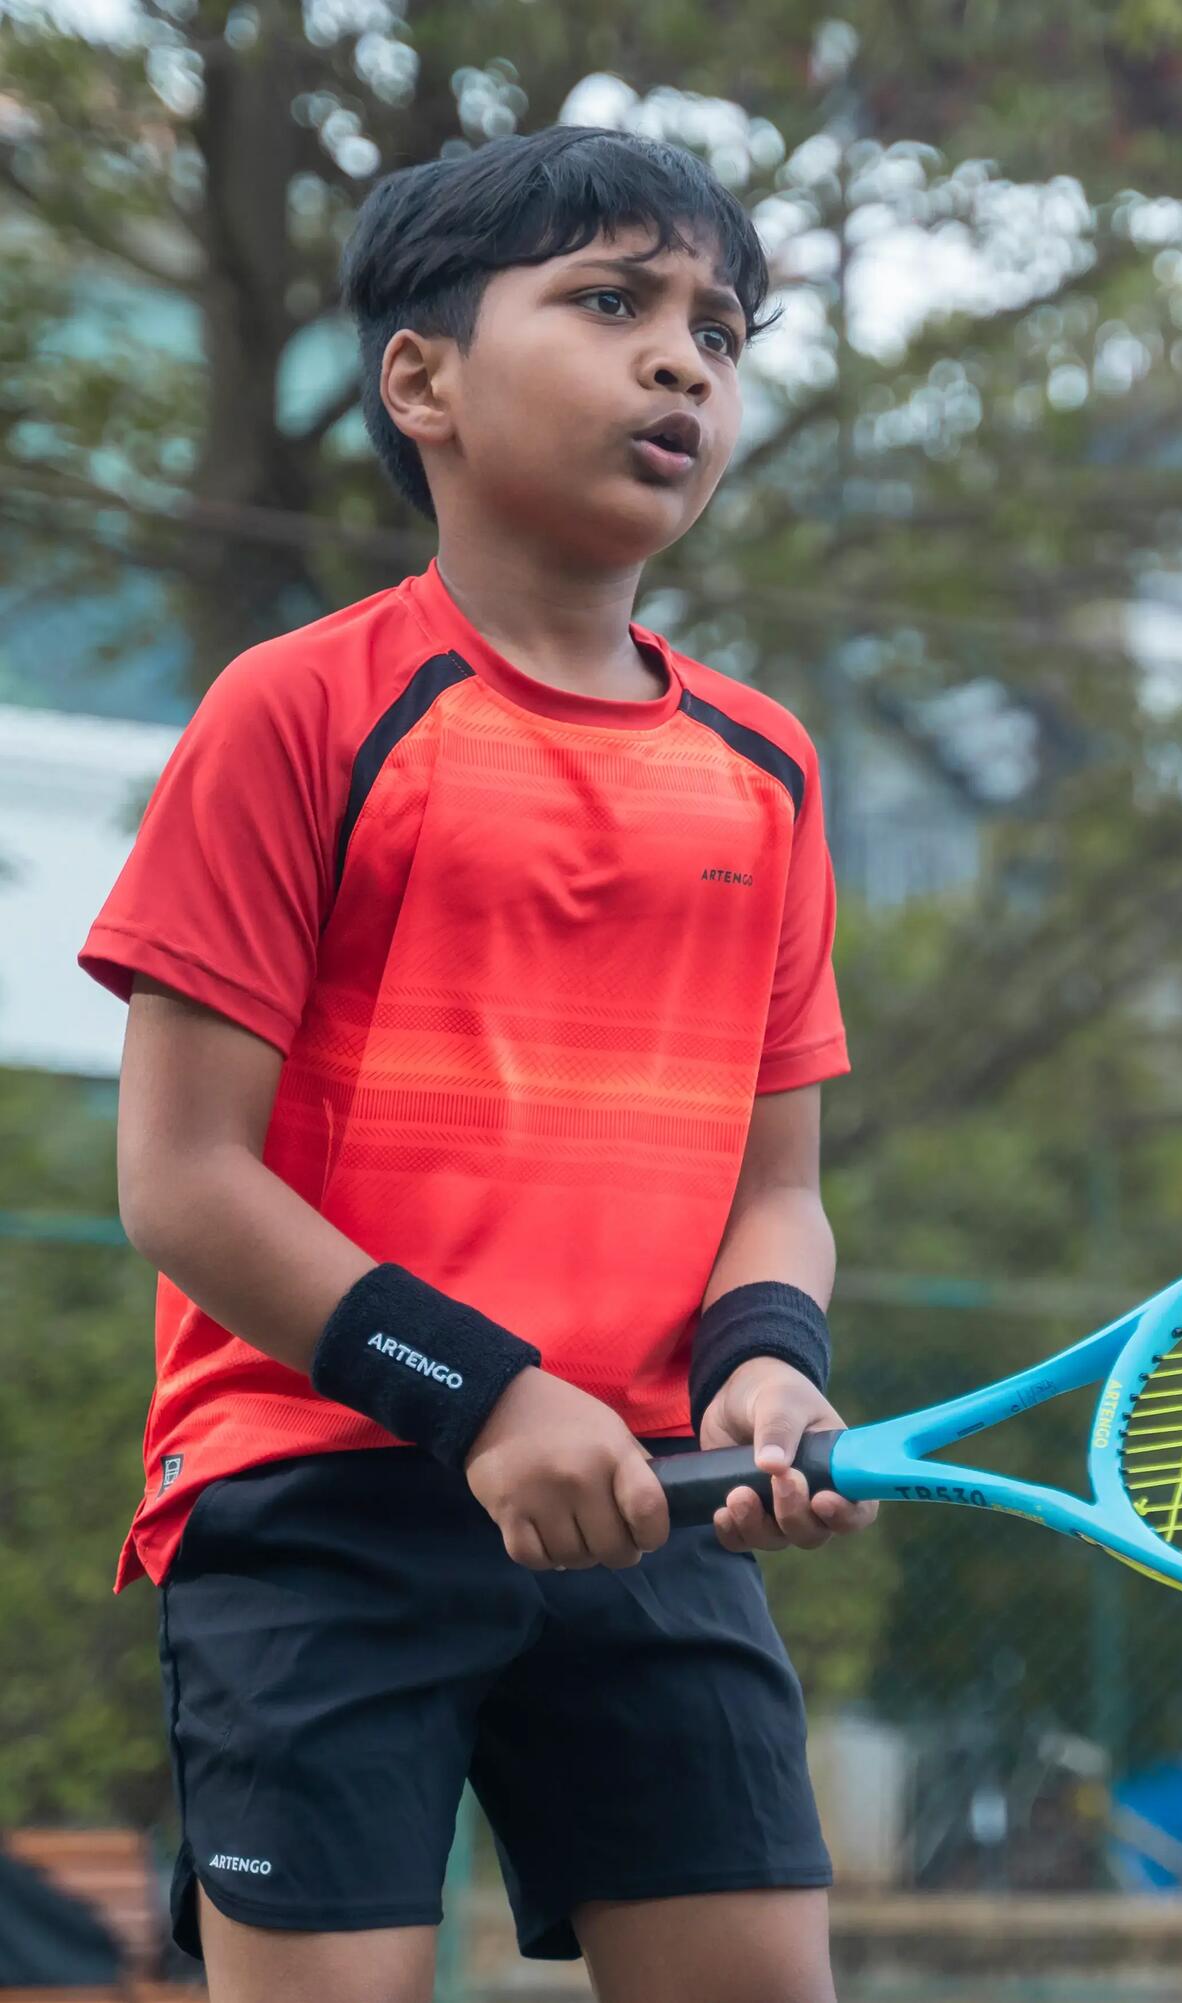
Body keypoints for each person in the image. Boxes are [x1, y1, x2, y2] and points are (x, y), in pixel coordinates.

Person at [78, 124, 873, 2003]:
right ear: (418, 379)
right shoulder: (300, 708)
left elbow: (780, 1189)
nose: (686, 359)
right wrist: (490, 1399)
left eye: (722, 330)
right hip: (320, 1495)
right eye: (612, 303)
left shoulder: (767, 768)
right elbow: (182, 1178)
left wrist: (768, 1364)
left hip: (653, 1508)